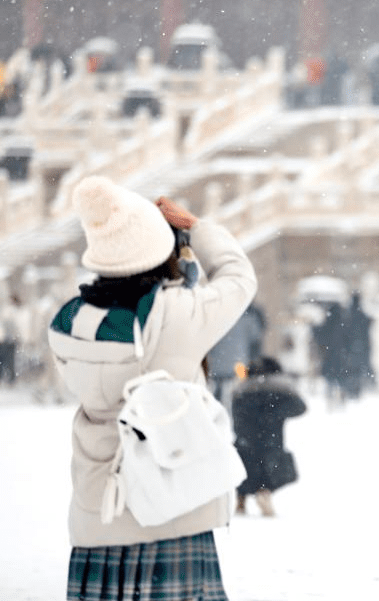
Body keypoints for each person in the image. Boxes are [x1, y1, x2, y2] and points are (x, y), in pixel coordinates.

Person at [48, 175, 257, 601]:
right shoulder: (178, 314)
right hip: (171, 509)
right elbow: (238, 277)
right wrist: (195, 228)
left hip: (98, 514)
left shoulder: (70, 324)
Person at [231, 355, 307, 516]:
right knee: (270, 468)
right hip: (271, 440)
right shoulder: (279, 392)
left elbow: (235, 415)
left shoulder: (242, 391)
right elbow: (300, 407)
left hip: (245, 441)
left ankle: (241, 499)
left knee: (244, 467)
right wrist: (274, 413)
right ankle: (264, 493)